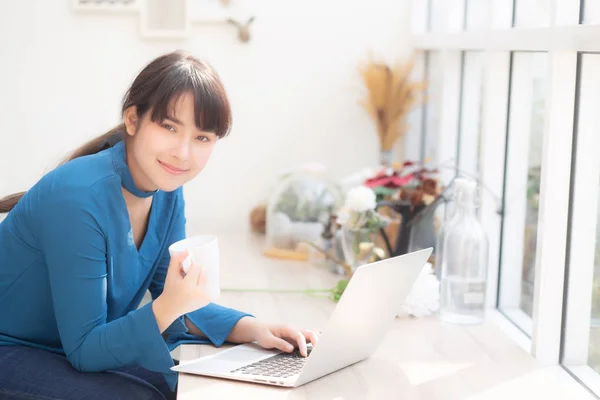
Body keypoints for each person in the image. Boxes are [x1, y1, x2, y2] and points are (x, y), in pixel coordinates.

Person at [0, 50, 318, 400]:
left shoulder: (167, 191)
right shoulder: (78, 197)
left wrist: (255, 329)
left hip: (66, 348)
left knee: (178, 385)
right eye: (169, 127)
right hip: (14, 349)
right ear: (133, 120)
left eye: (202, 138)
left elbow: (176, 303)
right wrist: (171, 304)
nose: (183, 153)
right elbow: (87, 349)